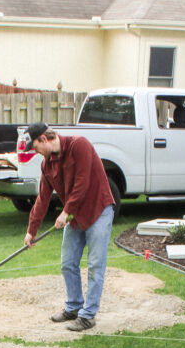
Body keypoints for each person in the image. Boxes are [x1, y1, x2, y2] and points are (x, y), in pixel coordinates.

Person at [23, 122, 116, 331]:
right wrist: (31, 231)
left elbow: (82, 183)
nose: (37, 153)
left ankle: (88, 316)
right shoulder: (47, 165)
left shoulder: (79, 146)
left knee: (94, 265)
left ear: (44, 139)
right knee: (68, 263)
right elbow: (42, 199)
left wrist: (65, 212)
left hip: (98, 210)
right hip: (75, 216)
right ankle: (74, 307)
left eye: (37, 148)